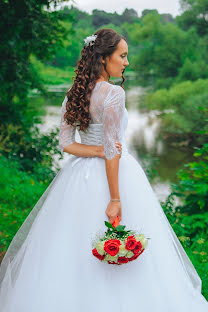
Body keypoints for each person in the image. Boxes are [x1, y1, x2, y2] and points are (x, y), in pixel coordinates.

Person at [0, 28, 207, 312]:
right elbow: (111, 150)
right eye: (122, 56)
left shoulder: (74, 92)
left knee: (69, 242)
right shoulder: (113, 94)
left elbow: (66, 143)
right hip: (115, 176)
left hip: (77, 176)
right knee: (117, 235)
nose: (127, 62)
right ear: (104, 58)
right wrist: (115, 198)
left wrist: (93, 150)